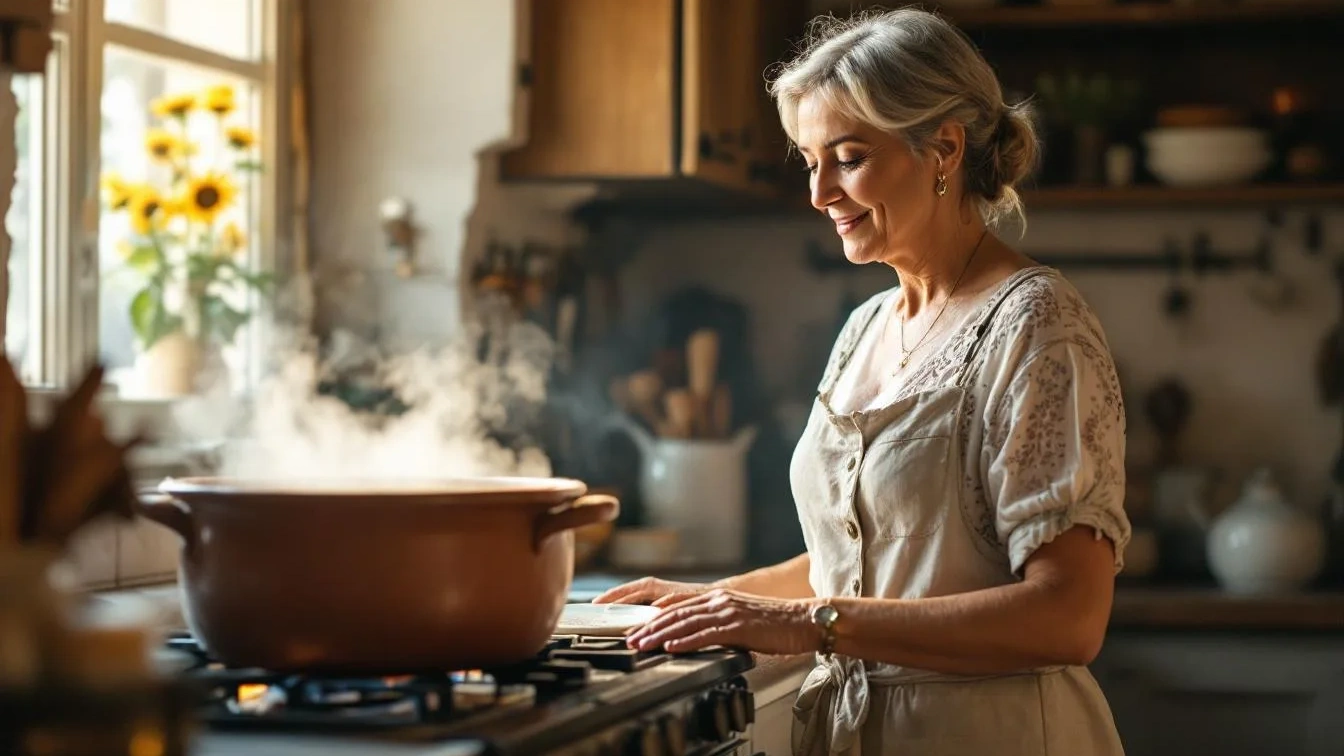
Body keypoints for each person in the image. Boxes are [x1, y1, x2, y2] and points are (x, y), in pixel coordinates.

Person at [593, 8, 1131, 755]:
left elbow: (1067, 617)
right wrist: (720, 600)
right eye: (809, 160)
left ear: (943, 149)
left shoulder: (1036, 323)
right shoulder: (868, 324)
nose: (818, 193)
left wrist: (803, 624)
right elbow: (880, 556)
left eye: (847, 157)